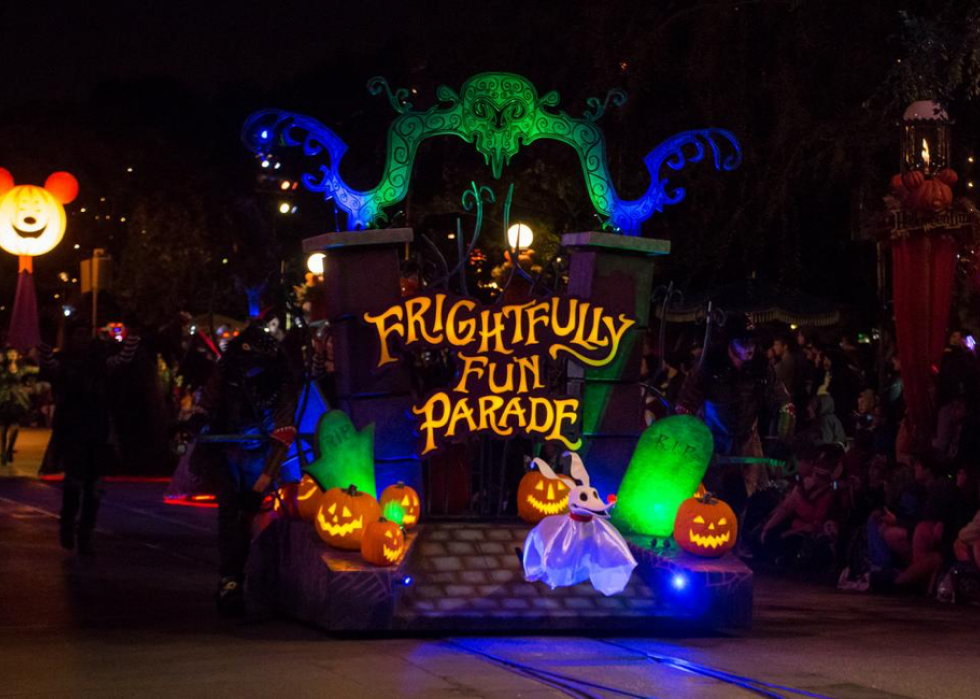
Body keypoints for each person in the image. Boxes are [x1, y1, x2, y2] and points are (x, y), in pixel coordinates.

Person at [184, 325, 299, 615]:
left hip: (261, 455)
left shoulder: (283, 384)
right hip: (227, 450)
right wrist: (198, 419)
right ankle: (229, 579)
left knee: (250, 517)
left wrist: (262, 482)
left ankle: (250, 577)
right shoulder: (228, 371)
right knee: (228, 509)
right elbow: (208, 401)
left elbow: (283, 433)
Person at [39, 322, 139, 554]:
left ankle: (85, 531)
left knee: (94, 485)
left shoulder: (101, 362)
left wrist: (133, 334)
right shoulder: (65, 362)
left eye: (86, 334)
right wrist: (44, 335)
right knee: (74, 480)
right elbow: (48, 363)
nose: (83, 338)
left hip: (96, 428)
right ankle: (67, 525)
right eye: (79, 333)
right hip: (73, 428)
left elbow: (123, 360)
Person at [677, 318, 794, 513]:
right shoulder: (708, 365)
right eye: (743, 342)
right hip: (711, 442)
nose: (750, 347)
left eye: (752, 342)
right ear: (730, 342)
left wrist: (783, 440)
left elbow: (784, 404)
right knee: (707, 503)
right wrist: (692, 443)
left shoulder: (762, 368)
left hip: (746, 444)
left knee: (747, 502)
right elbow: (684, 407)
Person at [0, 348, 34, 465]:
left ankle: (9, 449)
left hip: (17, 400)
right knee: (4, 426)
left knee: (15, 427)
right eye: (10, 353)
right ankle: (3, 452)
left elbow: (34, 371)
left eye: (15, 352)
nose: (13, 354)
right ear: (7, 355)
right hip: (4, 399)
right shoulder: (2, 368)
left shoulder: (21, 368)